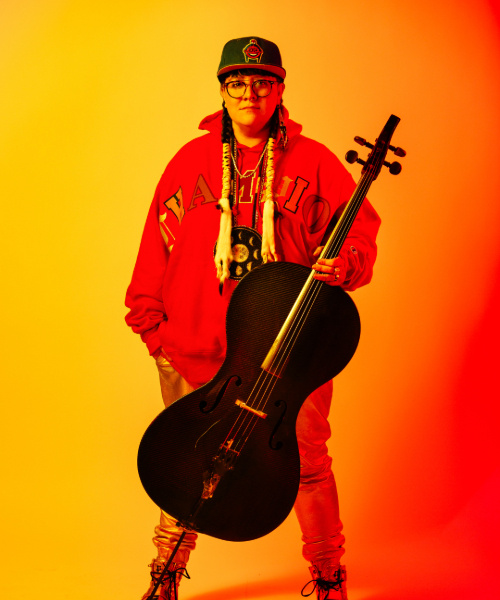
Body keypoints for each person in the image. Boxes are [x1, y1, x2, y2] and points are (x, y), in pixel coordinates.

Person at [125, 36, 381, 600]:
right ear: (221, 91)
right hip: (193, 342)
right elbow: (155, 246)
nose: (250, 93)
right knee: (183, 461)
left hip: (285, 353)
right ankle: (164, 578)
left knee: (307, 463)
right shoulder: (188, 162)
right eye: (237, 82)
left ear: (280, 88)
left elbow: (358, 228)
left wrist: (348, 262)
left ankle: (328, 576)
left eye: (262, 82)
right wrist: (153, 330)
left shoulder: (314, 161)